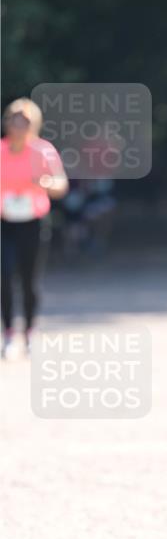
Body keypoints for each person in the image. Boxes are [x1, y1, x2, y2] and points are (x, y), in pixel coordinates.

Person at [1, 98, 69, 358]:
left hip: (33, 222)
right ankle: (8, 332)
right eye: (14, 119)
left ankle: (29, 331)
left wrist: (46, 182)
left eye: (25, 120)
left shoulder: (43, 151)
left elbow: (61, 186)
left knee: (29, 280)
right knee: (4, 277)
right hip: (5, 222)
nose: (18, 125)